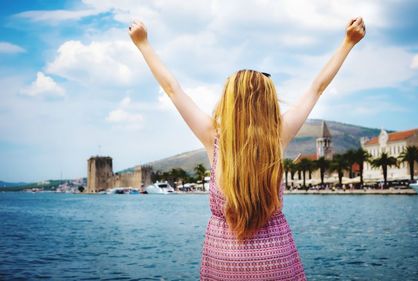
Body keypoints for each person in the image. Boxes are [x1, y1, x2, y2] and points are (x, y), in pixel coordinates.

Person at [129, 17, 365, 280]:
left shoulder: (213, 138)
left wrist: (143, 43)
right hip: (274, 255)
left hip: (225, 259)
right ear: (268, 101)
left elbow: (173, 90)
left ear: (229, 101)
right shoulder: (278, 137)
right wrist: (348, 43)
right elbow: (316, 88)